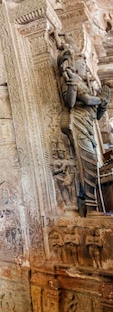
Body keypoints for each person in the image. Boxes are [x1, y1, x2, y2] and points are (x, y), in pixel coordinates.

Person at [58, 43, 110, 215]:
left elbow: (96, 115)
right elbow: (75, 102)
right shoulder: (71, 80)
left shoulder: (84, 83)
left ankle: (92, 206)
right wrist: (99, 99)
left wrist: (104, 102)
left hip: (88, 127)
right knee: (85, 164)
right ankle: (90, 207)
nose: (86, 70)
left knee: (93, 165)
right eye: (82, 66)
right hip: (78, 125)